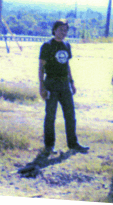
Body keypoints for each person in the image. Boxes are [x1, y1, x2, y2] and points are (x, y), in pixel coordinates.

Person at [38, 19, 89, 155]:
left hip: (65, 84)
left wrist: (72, 82)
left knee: (70, 115)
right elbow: (41, 67)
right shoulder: (47, 46)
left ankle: (73, 144)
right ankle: (49, 146)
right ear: (54, 30)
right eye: (61, 29)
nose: (63, 32)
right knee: (50, 116)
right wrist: (41, 87)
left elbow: (67, 65)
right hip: (51, 84)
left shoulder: (67, 45)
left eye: (65, 30)